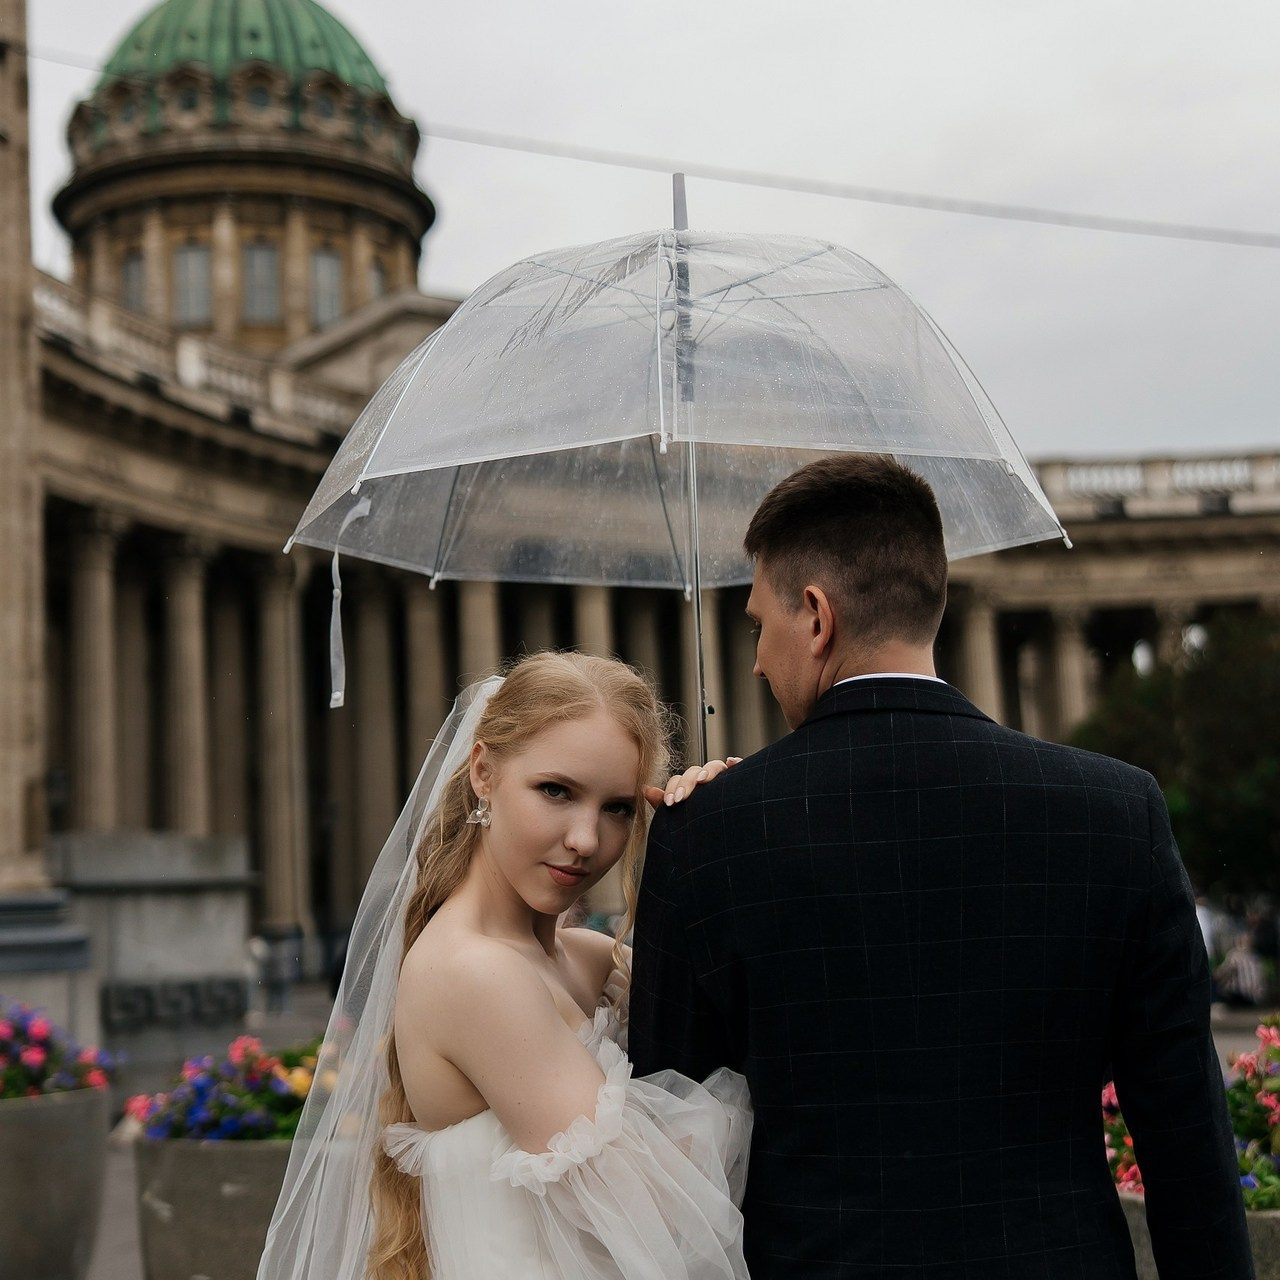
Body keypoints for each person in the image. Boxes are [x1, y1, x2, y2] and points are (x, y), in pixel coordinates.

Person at [630, 454, 1253, 1279]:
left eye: (758, 624)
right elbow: (1186, 1140)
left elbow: (670, 1142)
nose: (755, 660)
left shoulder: (703, 833)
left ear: (815, 616)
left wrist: (715, 816)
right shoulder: (1116, 812)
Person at [258, 651, 751, 1280]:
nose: (585, 839)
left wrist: (725, 827)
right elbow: (663, 1214)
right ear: (483, 772)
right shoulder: (474, 972)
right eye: (556, 791)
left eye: (618, 808)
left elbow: (725, 1019)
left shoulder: (591, 959)